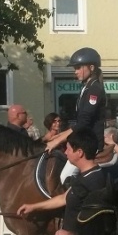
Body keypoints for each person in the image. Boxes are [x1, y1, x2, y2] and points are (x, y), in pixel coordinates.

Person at [46, 48, 106, 184]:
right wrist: (58, 136)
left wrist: (58, 140)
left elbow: (84, 122)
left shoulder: (94, 89)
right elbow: (80, 122)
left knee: (64, 178)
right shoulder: (86, 87)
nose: (76, 71)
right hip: (82, 140)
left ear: (91, 67)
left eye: (78, 68)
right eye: (75, 68)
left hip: (91, 142)